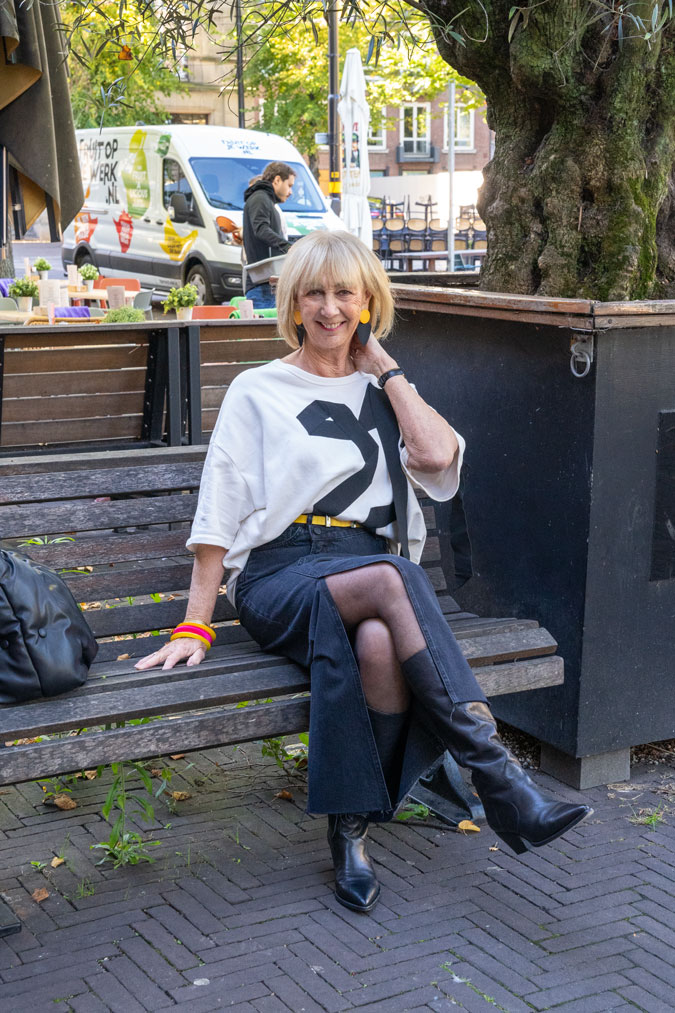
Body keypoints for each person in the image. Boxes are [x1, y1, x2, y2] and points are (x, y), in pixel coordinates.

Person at [137, 230, 591, 913]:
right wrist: (195, 623)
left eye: (344, 293)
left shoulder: (385, 389)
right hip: (281, 573)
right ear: (292, 303)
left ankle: (348, 830)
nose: (328, 309)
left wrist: (385, 368)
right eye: (314, 293)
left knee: (379, 640)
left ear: (368, 301)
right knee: (392, 577)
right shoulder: (257, 389)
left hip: (367, 575)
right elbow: (219, 509)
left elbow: (436, 458)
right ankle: (499, 779)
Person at [242, 161, 295, 309]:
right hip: (262, 286)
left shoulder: (263, 199)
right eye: (289, 185)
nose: (290, 192)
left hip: (265, 284)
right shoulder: (260, 198)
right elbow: (261, 229)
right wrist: (287, 247)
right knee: (265, 332)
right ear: (277, 180)